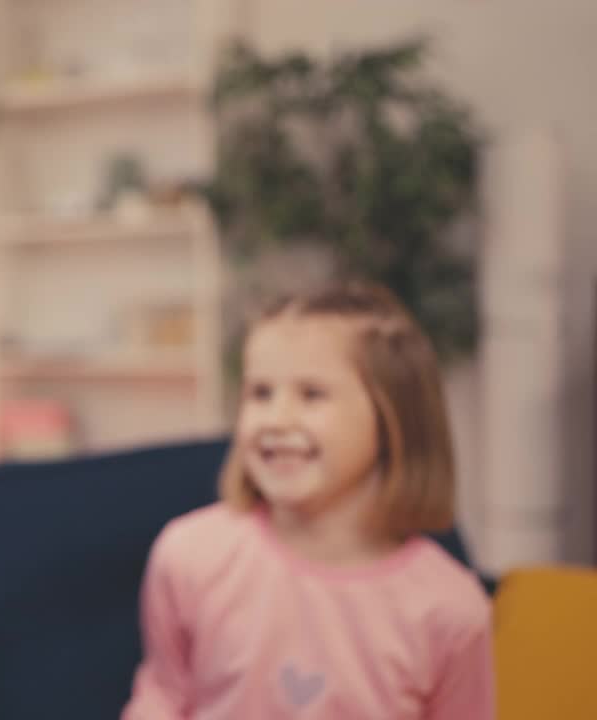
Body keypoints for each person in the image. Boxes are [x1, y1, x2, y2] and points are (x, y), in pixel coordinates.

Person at [123, 281, 495, 719]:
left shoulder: (451, 607)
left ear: (392, 416)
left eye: (312, 394)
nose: (277, 419)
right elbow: (164, 694)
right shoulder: (188, 555)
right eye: (260, 393)